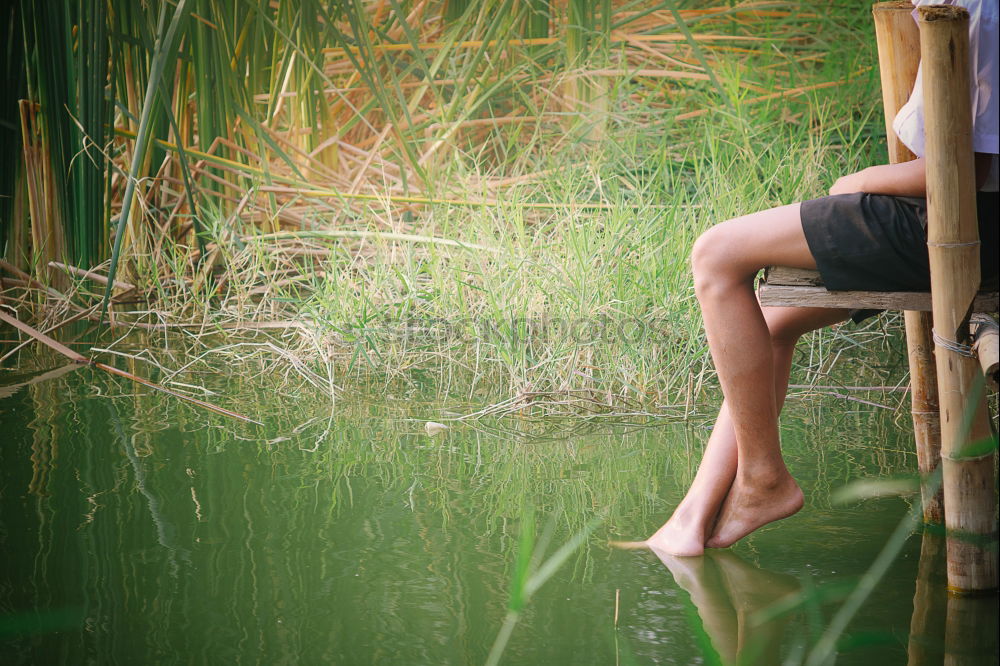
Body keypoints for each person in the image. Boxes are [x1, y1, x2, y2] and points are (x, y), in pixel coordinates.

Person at [645, 0, 999, 557]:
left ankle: (764, 479)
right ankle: (692, 517)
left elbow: (967, 169)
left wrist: (862, 180)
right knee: (772, 319)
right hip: (968, 217)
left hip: (970, 228)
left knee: (716, 255)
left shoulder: (979, 9)